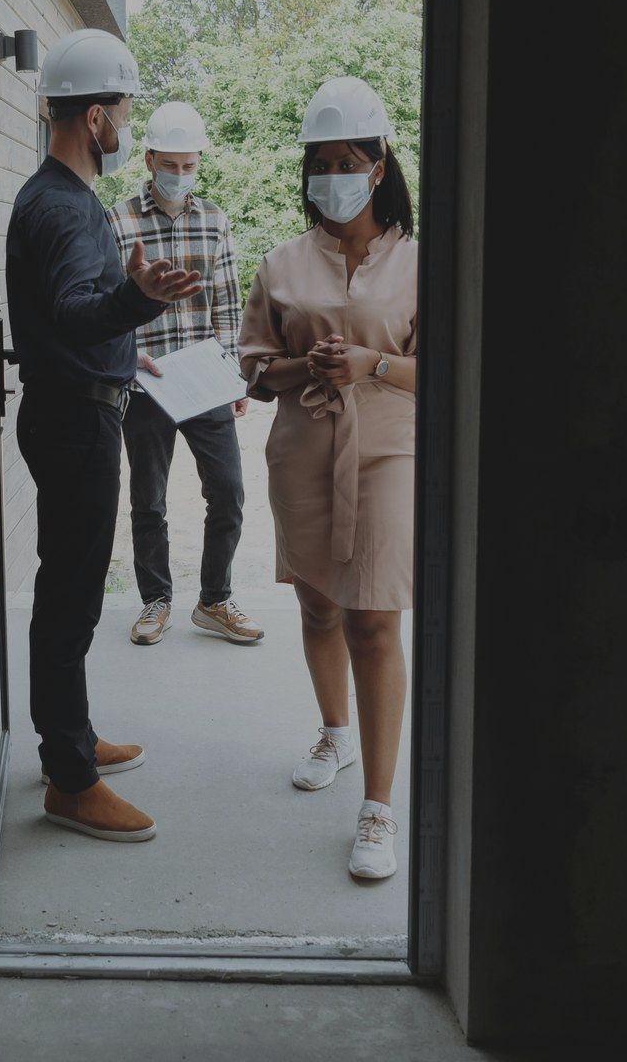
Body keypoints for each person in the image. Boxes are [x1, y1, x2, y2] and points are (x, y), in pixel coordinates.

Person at [7, 28, 203, 843]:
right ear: (95, 117)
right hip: (75, 422)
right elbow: (72, 312)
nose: (128, 125)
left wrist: (129, 351)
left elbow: (74, 319)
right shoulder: (64, 205)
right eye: (123, 109)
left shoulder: (51, 196)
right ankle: (70, 779)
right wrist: (137, 303)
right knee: (71, 600)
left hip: (76, 407)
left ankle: (73, 744)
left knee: (70, 590)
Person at [236, 77, 419, 879]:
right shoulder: (280, 263)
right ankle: (335, 733)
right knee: (316, 606)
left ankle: (378, 808)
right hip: (303, 451)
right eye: (319, 163)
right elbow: (251, 368)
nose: (331, 176)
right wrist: (293, 365)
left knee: (374, 621)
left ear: (379, 167)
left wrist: (373, 361)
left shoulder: (421, 263)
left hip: (387, 452)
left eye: (347, 160)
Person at [105, 101, 264, 649]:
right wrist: (125, 359)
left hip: (202, 379)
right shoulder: (118, 220)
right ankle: (156, 600)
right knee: (149, 498)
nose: (179, 174)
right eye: (169, 163)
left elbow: (226, 302)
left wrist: (234, 376)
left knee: (229, 492)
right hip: (146, 380)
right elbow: (106, 302)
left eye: (188, 164)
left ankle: (214, 600)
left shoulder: (215, 221)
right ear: (148, 159)